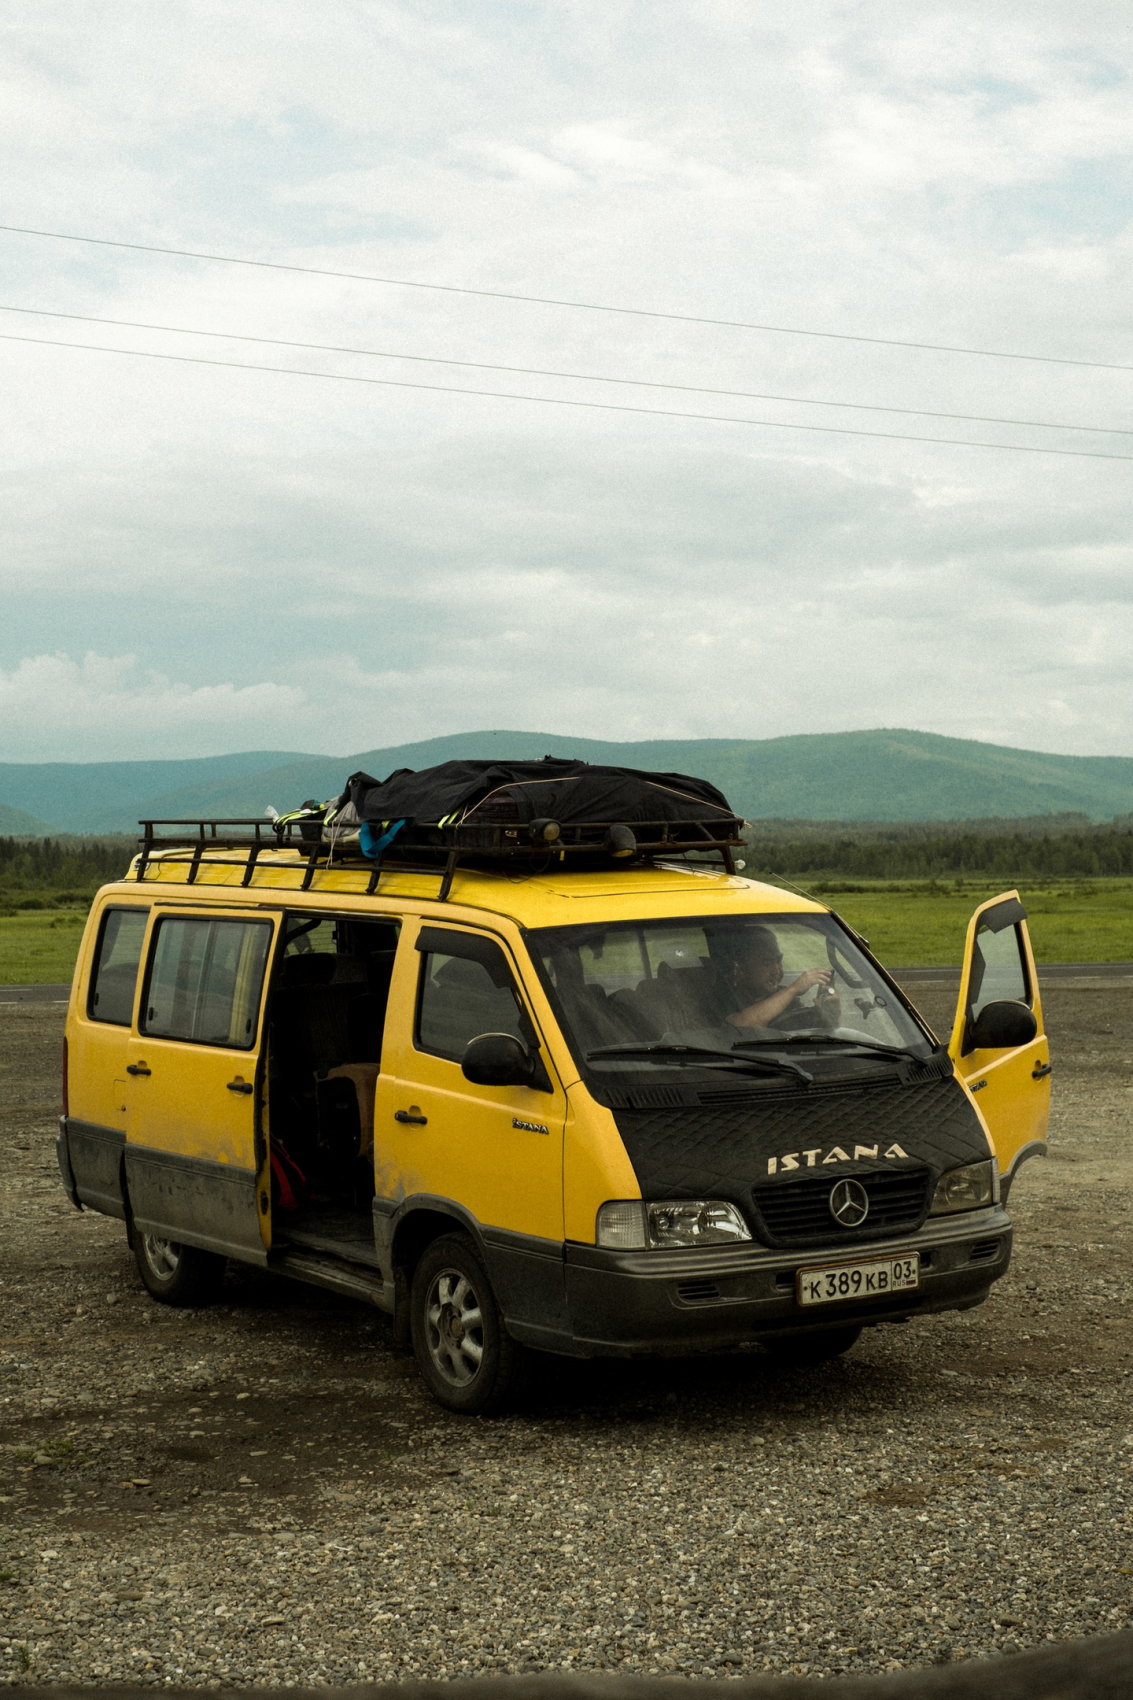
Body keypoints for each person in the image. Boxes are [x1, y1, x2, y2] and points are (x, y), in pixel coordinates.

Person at [715, 925, 840, 1032]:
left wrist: (831, 1012)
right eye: (767, 963)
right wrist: (793, 989)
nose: (776, 971)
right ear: (742, 967)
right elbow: (738, 1028)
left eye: (778, 960)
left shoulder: (785, 997)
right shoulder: (724, 996)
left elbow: (819, 1035)